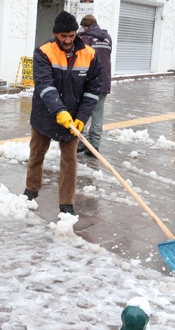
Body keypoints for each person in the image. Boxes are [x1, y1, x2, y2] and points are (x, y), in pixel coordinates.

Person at [22, 11, 103, 215]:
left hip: (74, 117)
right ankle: (31, 191)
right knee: (36, 154)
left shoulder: (90, 55)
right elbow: (44, 83)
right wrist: (58, 110)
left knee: (70, 161)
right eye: (63, 36)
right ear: (55, 34)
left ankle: (67, 204)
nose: (68, 40)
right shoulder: (43, 52)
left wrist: (81, 119)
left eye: (72, 35)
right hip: (44, 114)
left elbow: (93, 91)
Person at [77, 14, 113, 157]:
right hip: (104, 80)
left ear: (86, 26)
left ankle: (83, 141)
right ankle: (94, 146)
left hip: (90, 81)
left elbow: (83, 60)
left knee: (82, 111)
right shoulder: (107, 37)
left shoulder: (85, 38)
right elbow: (107, 57)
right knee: (98, 115)